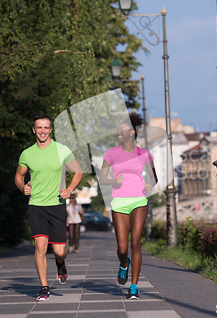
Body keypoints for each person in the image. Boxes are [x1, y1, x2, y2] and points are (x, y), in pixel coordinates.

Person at [14, 114, 83, 301]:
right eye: (39, 127)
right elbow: (18, 177)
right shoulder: (27, 153)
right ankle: (44, 287)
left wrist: (69, 189)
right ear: (33, 130)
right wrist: (23, 187)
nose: (42, 131)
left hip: (57, 205)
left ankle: (60, 263)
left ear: (50, 130)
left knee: (60, 250)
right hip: (36, 205)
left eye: (46, 127)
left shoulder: (62, 150)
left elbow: (78, 171)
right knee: (40, 247)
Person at [99, 112, 157, 300]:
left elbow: (154, 176)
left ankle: (134, 286)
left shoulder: (144, 154)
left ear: (132, 132)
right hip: (119, 201)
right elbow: (102, 178)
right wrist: (113, 180)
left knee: (135, 243)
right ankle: (124, 265)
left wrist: (151, 184)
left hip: (139, 200)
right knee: (122, 248)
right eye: (117, 130)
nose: (118, 132)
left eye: (122, 130)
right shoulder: (111, 153)